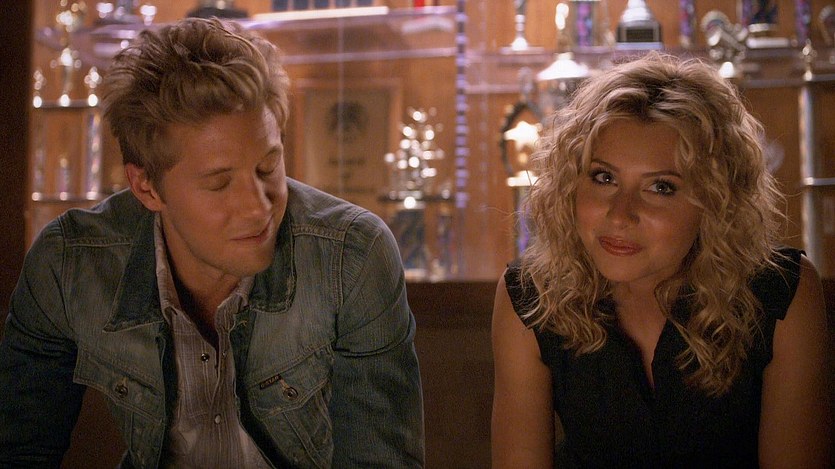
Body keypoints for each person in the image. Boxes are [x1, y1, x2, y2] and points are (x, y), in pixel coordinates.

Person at [0, 18, 424, 468]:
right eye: (219, 183)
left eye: (268, 168)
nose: (258, 207)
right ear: (146, 188)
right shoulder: (68, 265)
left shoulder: (353, 255)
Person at [491, 52, 832, 468]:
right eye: (604, 177)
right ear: (571, 184)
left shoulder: (781, 294)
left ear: (715, 200)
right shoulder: (531, 297)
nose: (620, 215)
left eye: (661, 188)